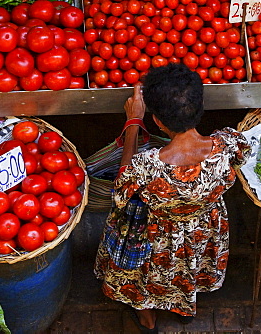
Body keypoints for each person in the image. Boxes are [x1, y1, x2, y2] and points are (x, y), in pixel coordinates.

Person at [94, 63, 248, 333]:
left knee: (146, 273)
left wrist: (133, 123)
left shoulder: (148, 166)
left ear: (157, 122)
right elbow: (243, 153)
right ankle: (183, 305)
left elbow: (120, 190)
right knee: (189, 264)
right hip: (203, 229)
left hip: (157, 237)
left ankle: (147, 318)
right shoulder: (227, 144)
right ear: (199, 109)